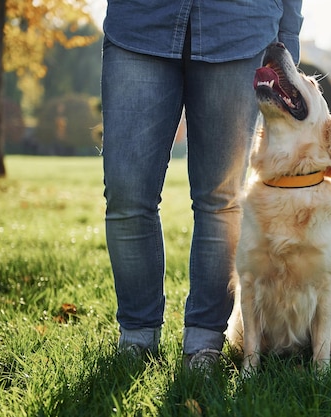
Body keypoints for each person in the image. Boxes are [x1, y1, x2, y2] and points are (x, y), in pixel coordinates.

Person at [100, 1, 303, 370]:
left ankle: (205, 342)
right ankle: (138, 336)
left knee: (220, 199)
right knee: (126, 194)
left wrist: (287, 37)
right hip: (139, 24)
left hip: (240, 26)